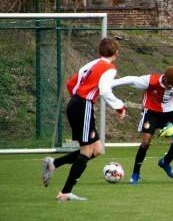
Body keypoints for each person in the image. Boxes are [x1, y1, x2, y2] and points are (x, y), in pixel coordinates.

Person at [42, 37, 127, 201]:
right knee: (86, 152)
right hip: (83, 106)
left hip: (76, 103)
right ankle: (65, 193)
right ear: (116, 53)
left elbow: (70, 83)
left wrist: (77, 101)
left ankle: (54, 164)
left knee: (98, 150)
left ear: (99, 51)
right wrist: (119, 107)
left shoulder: (92, 64)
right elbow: (104, 91)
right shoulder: (109, 68)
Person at [111, 66, 173, 185]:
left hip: (168, 113)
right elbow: (131, 79)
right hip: (151, 113)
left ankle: (165, 162)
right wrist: (112, 83)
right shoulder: (151, 80)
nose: (170, 86)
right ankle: (135, 174)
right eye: (169, 83)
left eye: (172, 84)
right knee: (145, 142)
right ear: (164, 78)